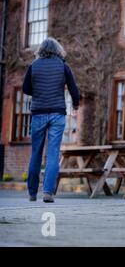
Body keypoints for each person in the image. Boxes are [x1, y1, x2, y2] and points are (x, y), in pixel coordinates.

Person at [23, 37, 80, 203]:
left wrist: (39, 91)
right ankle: (48, 192)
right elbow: (73, 88)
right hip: (57, 114)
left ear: (40, 50)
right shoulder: (63, 66)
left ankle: (32, 193)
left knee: (36, 153)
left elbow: (26, 88)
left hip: (38, 113)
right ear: (57, 50)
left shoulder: (33, 66)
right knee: (53, 153)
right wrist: (76, 104)